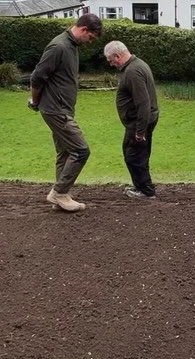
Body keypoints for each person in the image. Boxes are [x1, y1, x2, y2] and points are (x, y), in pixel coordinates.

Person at [28, 13, 102, 212]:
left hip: (62, 108)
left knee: (65, 152)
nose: (90, 42)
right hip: (55, 110)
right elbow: (37, 78)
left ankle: (62, 194)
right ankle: (59, 193)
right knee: (81, 150)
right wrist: (35, 101)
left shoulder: (72, 46)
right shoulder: (58, 47)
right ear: (84, 29)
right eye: (91, 37)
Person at [104, 40, 159, 199]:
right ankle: (141, 186)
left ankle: (146, 190)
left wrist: (140, 131)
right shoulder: (137, 64)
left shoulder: (133, 71)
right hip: (141, 120)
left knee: (134, 155)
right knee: (136, 153)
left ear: (117, 55)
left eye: (110, 60)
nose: (111, 64)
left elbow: (143, 103)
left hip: (139, 122)